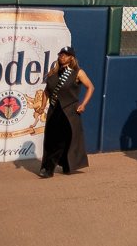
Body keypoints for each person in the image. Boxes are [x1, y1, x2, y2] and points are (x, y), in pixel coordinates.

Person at [37, 47, 94, 178]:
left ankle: (49, 169)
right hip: (53, 110)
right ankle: (59, 165)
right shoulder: (53, 72)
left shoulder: (78, 72)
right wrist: (42, 105)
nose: (62, 56)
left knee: (63, 139)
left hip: (69, 111)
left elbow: (91, 87)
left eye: (66, 55)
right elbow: (47, 91)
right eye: (61, 54)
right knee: (51, 140)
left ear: (71, 57)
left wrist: (83, 104)